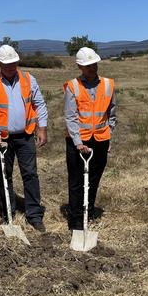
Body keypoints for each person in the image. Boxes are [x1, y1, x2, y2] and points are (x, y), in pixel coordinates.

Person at [0, 45, 49, 232]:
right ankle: (8, 214)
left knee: (30, 174)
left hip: (26, 135)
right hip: (2, 139)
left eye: (14, 63)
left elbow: (40, 104)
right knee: (5, 176)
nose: (11, 67)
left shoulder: (28, 79)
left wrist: (42, 128)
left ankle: (34, 215)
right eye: (7, 64)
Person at [63, 47, 117, 230]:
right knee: (77, 180)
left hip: (101, 139)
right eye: (87, 66)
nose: (92, 68)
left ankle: (89, 209)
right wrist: (78, 143)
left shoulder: (109, 84)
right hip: (78, 141)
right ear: (80, 67)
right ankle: (76, 219)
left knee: (94, 178)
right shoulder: (73, 86)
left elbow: (112, 112)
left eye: (93, 64)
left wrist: (109, 134)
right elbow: (70, 117)